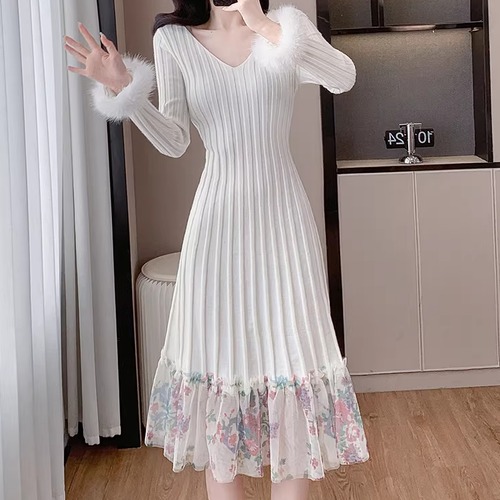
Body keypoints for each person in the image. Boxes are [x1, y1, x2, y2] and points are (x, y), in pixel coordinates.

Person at [64, 1, 370, 498]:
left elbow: (343, 76)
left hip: (284, 225)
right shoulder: (174, 40)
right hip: (218, 230)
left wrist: (266, 27)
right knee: (220, 364)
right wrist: (124, 88)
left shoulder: (282, 28)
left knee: (293, 364)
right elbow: (174, 140)